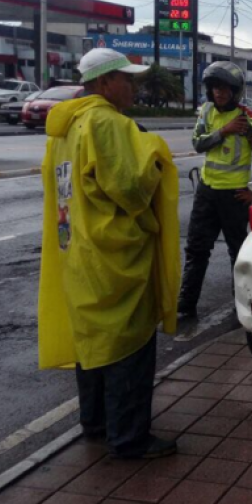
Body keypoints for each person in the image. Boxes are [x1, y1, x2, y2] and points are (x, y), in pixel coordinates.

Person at [38, 48, 181, 459]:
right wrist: (155, 158)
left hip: (77, 251)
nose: (132, 86)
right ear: (103, 83)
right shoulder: (106, 122)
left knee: (93, 344)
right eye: (126, 79)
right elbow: (131, 189)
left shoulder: (66, 126)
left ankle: (96, 422)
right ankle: (129, 437)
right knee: (128, 345)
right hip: (114, 256)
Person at [177, 61, 252, 319]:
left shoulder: (247, 119)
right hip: (206, 193)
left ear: (235, 90)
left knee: (237, 253)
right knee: (196, 251)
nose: (218, 93)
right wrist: (224, 131)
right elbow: (198, 143)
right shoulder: (207, 112)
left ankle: (239, 307)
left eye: (224, 88)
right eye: (214, 87)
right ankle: (185, 306)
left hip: (234, 198)